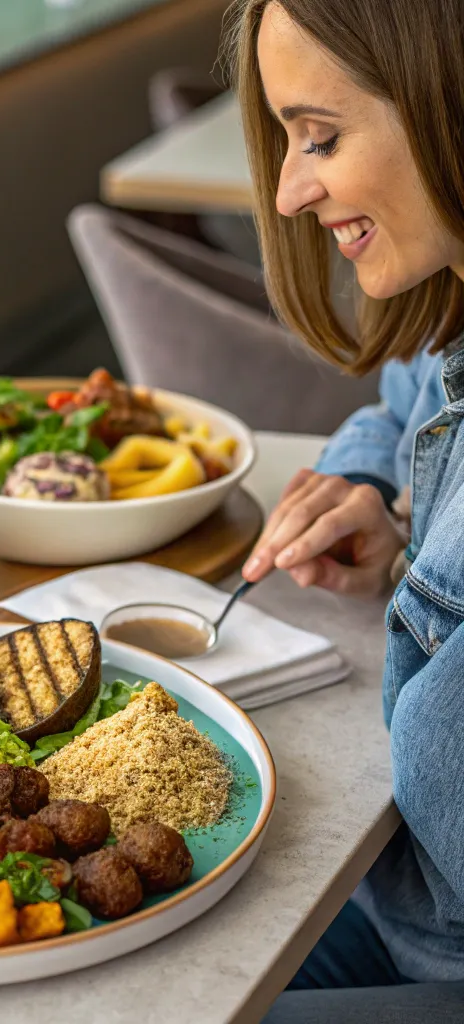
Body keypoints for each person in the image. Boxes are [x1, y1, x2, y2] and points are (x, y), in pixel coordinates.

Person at [226, 1, 464, 1020]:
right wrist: (373, 490)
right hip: (397, 909)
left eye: (319, 136)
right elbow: (401, 400)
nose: (287, 190)